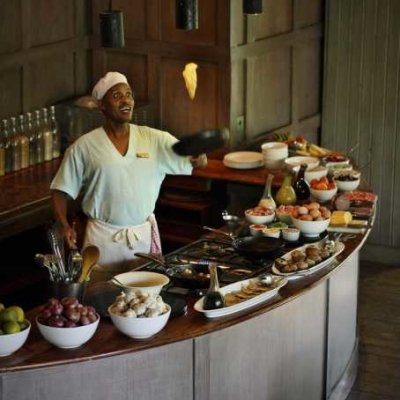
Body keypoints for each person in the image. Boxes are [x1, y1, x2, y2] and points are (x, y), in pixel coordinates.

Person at [50, 71, 207, 281]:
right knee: (101, 296)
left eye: (129, 94)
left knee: (144, 297)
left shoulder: (153, 139)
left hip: (141, 242)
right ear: (102, 106)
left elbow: (193, 159)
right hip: (101, 243)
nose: (126, 101)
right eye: (117, 96)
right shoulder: (84, 147)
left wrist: (199, 157)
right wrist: (64, 225)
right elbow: (60, 191)